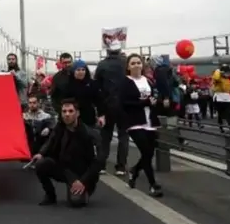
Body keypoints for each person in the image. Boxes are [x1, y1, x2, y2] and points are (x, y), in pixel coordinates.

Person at [32, 99, 104, 207]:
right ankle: (50, 195)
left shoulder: (89, 134)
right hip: (65, 170)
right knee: (41, 164)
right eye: (64, 111)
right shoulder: (60, 128)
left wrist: (83, 181)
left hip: (82, 173)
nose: (67, 114)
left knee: (76, 202)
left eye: (70, 111)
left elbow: (98, 162)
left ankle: (84, 191)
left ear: (77, 113)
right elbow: (50, 141)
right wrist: (41, 153)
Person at [120, 54, 163, 197]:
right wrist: (144, 102)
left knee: (149, 152)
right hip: (134, 122)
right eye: (133, 63)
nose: (136, 65)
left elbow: (155, 96)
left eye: (138, 62)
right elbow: (125, 103)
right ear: (128, 67)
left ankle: (134, 170)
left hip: (150, 120)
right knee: (146, 151)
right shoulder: (125, 82)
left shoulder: (148, 81)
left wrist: (157, 101)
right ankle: (153, 184)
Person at [94, 44, 128, 176]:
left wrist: (100, 110)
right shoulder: (126, 63)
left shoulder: (102, 65)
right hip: (125, 105)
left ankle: (102, 165)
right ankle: (121, 167)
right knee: (123, 136)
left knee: (105, 137)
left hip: (107, 105)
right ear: (119, 50)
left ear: (107, 51)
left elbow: (97, 86)